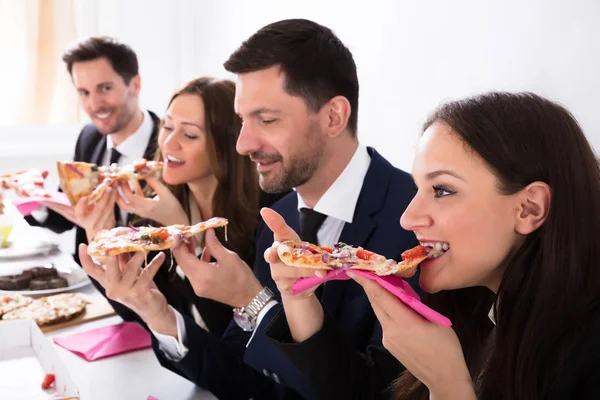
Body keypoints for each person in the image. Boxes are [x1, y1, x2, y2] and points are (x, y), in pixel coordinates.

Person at [79, 19, 418, 399]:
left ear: (333, 117)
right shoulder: (280, 216)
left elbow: (376, 393)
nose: (242, 143)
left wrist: (254, 302)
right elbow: (248, 379)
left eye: (266, 120)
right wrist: (156, 312)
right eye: (243, 120)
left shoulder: (416, 221)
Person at [263, 91, 600, 399]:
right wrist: (298, 298)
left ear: (530, 209)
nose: (408, 219)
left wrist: (448, 385)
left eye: (442, 190)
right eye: (416, 190)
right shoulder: (461, 306)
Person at [25, 36, 161, 321]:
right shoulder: (89, 137)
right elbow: (70, 216)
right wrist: (34, 198)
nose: (94, 104)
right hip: (90, 293)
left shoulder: (168, 148)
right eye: (84, 92)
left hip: (149, 303)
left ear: (134, 85)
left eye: (105, 89)